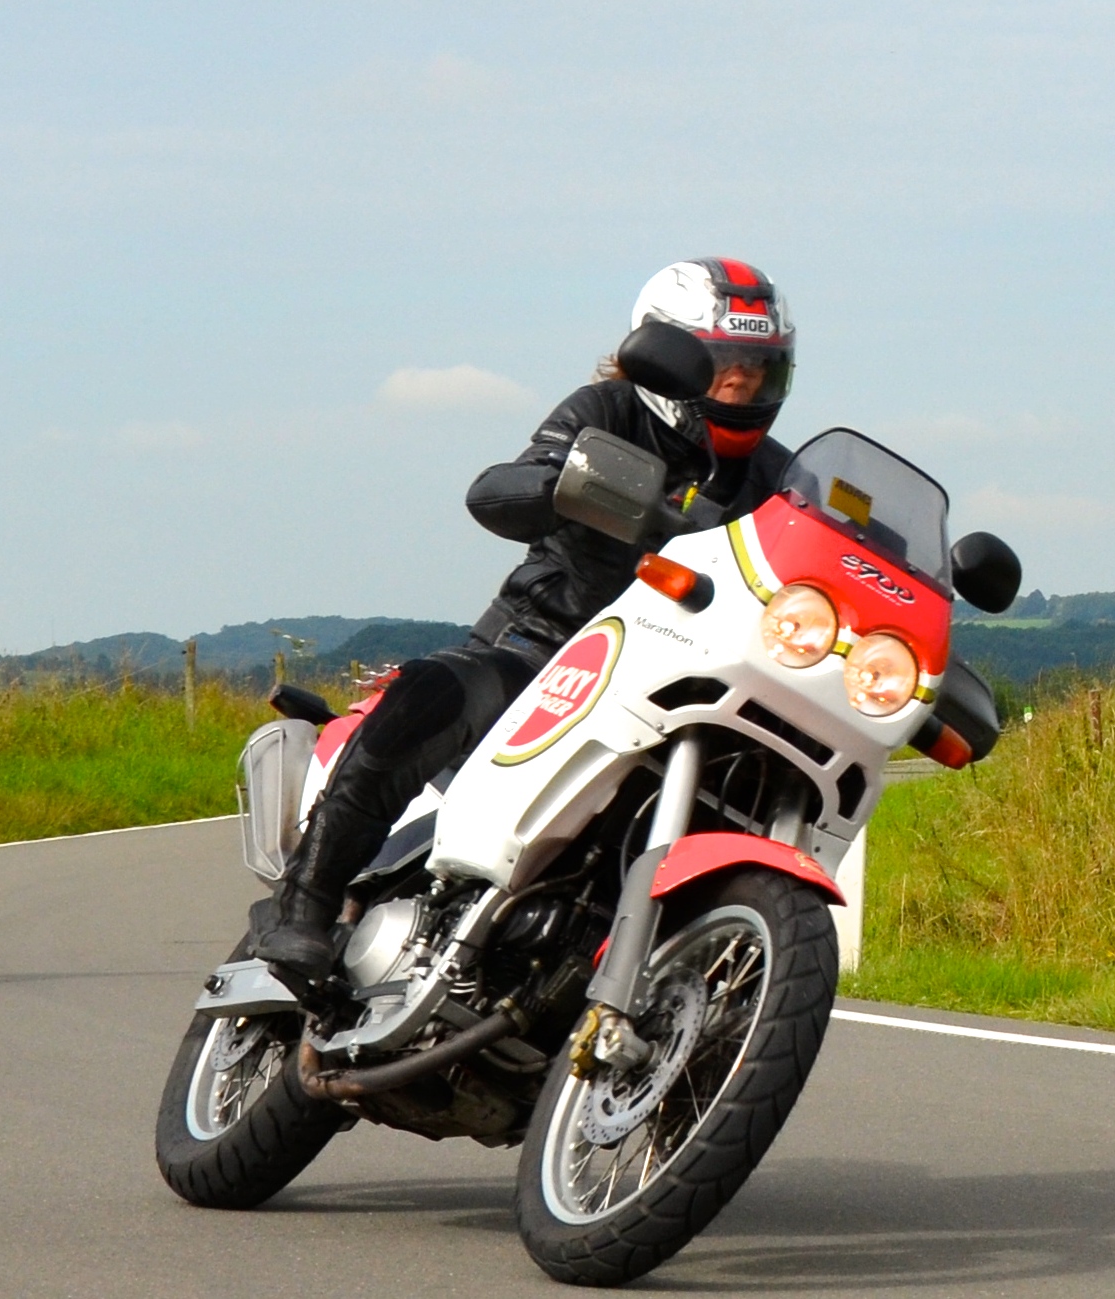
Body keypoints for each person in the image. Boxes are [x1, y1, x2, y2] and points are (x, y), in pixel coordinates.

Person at [253, 259, 800, 981]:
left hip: (678, 681)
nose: (739, 385)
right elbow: (498, 488)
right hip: (544, 644)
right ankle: (307, 905)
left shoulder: (781, 478)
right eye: (723, 364)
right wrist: (561, 486)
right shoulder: (607, 411)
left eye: (757, 370)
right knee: (433, 693)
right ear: (668, 355)